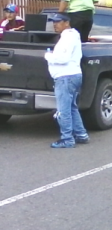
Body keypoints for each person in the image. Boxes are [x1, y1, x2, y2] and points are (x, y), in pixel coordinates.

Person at [44, 13, 89, 148]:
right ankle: (81, 135)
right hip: (72, 76)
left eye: (58, 22)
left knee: (63, 110)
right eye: (54, 22)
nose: (55, 24)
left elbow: (63, 58)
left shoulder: (67, 37)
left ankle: (67, 139)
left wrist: (48, 56)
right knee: (72, 108)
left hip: (65, 77)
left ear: (66, 22)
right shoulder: (71, 36)